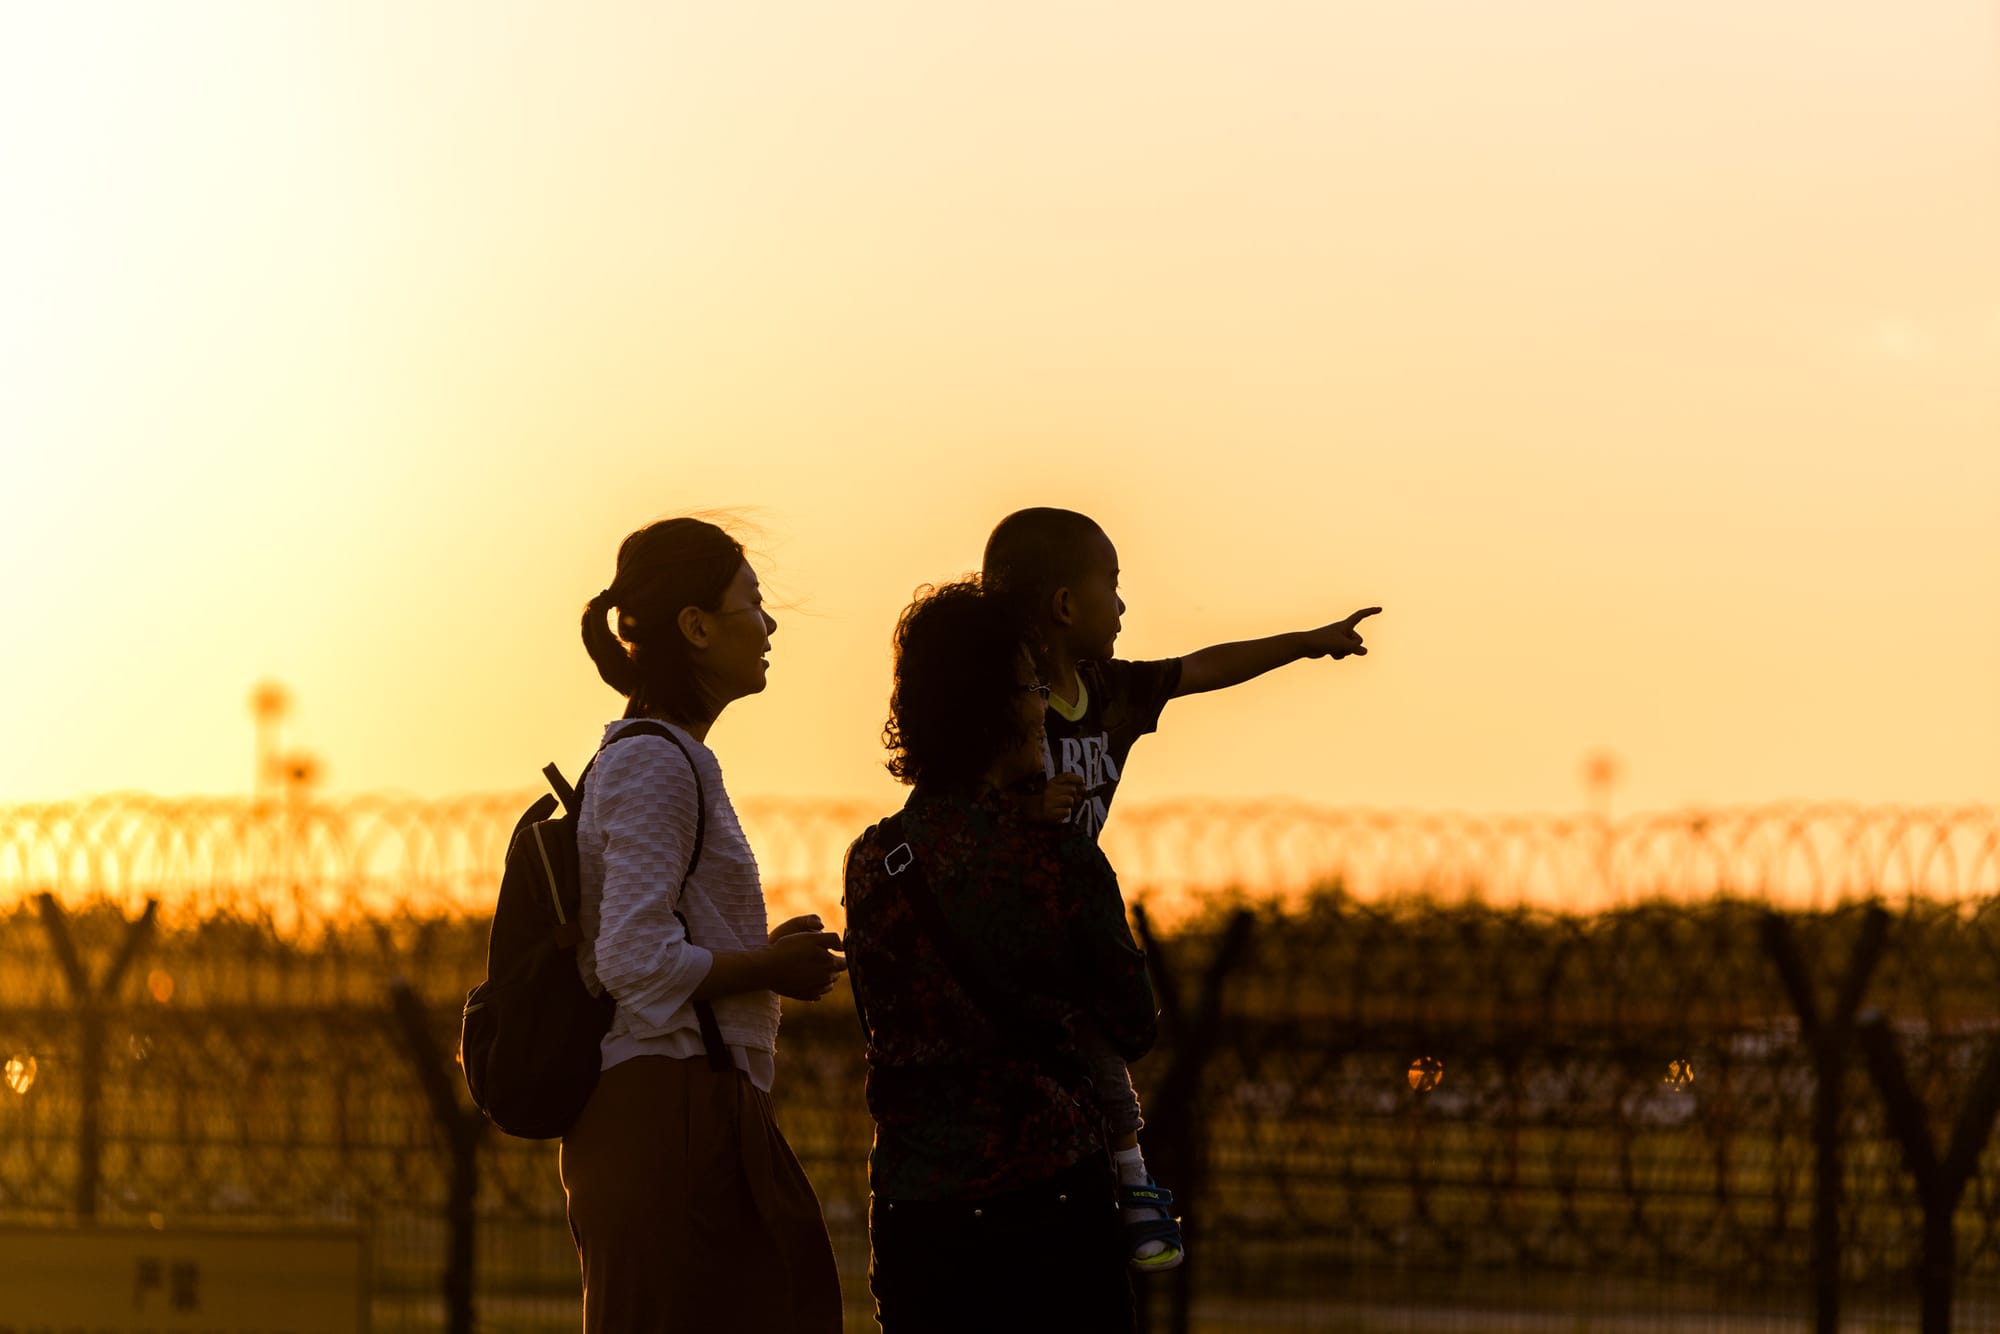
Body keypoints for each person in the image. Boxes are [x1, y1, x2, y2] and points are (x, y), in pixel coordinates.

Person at [982, 505, 1383, 1270]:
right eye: (1111, 584)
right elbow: (955, 805)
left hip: (1076, 920)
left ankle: (1128, 1179)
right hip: (1007, 925)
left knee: (1103, 1043)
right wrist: (1023, 810)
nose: (1122, 603)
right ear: (1065, 604)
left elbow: (1204, 667)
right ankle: (1126, 1183)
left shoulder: (1111, 693)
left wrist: (1307, 642)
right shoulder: (1002, 708)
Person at [844, 578, 1157, 1334]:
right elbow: (1134, 1023)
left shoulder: (876, 859)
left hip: (917, 1212)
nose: (1044, 706)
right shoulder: (1055, 858)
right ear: (999, 708)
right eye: (1033, 688)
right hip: (1046, 1202)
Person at [560, 516, 847, 1334]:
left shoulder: (664, 756)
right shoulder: (654, 760)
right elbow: (634, 959)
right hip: (668, 1107)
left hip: (693, 1102)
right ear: (695, 627)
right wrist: (769, 969)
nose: (768, 625)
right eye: (751, 603)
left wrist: (758, 955)